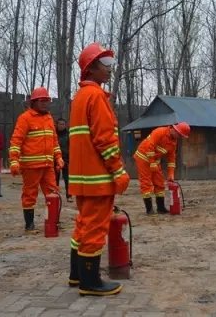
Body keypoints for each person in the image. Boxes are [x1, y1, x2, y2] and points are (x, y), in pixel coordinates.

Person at [68, 42, 130, 296]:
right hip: (98, 178)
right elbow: (105, 139)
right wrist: (118, 171)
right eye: (105, 65)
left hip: (82, 179)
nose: (109, 70)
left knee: (83, 225)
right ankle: (90, 282)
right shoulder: (95, 97)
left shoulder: (80, 97)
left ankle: (77, 275)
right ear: (91, 68)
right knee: (94, 227)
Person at [9, 87, 64, 233]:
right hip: (31, 166)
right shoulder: (25, 118)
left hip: (48, 165)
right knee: (29, 195)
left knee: (53, 193)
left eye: (47, 101)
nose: (46, 103)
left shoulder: (49, 118)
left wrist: (58, 157)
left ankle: (53, 222)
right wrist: (14, 161)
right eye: (42, 101)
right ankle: (29, 224)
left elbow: (54, 141)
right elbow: (16, 141)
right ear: (33, 102)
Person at [134, 122, 190, 214]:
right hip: (143, 157)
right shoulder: (160, 132)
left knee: (160, 183)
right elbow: (149, 145)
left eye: (180, 135)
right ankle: (149, 209)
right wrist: (152, 163)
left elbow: (171, 159)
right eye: (178, 134)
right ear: (173, 129)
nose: (178, 136)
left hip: (155, 160)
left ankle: (160, 208)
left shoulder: (173, 143)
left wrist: (171, 174)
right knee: (146, 183)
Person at [56, 118, 71, 201]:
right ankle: (56, 196)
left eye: (63, 124)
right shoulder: (54, 135)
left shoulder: (68, 135)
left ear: (65, 125)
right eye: (60, 124)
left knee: (67, 178)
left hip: (66, 159)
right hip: (56, 159)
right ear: (57, 125)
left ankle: (69, 196)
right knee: (55, 179)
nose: (61, 126)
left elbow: (72, 147)